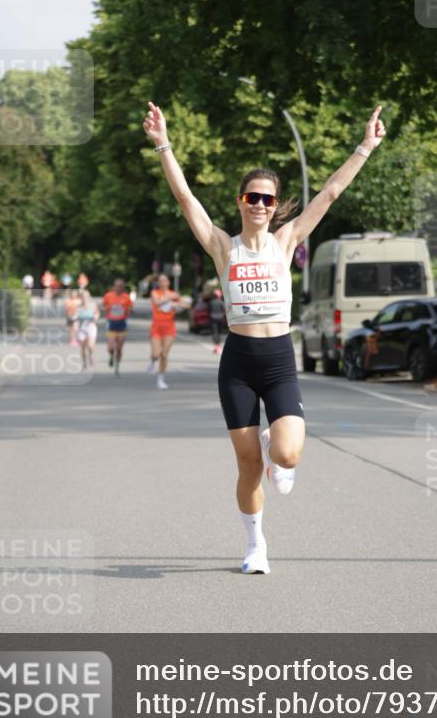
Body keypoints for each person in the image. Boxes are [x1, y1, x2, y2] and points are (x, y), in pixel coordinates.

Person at [143, 100, 386, 575]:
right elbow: (185, 198)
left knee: (287, 454)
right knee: (249, 464)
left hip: (277, 360)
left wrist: (365, 147)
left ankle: (280, 449)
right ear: (240, 202)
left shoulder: (286, 241)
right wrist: (163, 144)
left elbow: (330, 193)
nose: (259, 204)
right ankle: (256, 546)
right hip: (238, 363)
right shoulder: (222, 246)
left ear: (275, 208)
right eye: (252, 197)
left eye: (267, 199)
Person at [147, 273, 182, 389]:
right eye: (160, 281)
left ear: (168, 282)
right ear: (158, 283)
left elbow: (185, 305)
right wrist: (170, 299)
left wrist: (177, 304)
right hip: (156, 327)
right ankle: (153, 362)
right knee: (156, 354)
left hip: (169, 327)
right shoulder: (154, 293)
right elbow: (157, 303)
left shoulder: (174, 294)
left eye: (165, 280)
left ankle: (160, 379)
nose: (163, 283)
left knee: (164, 354)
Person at [101, 278, 133, 376]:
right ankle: (111, 356)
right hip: (111, 322)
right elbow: (103, 306)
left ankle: (117, 366)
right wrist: (107, 308)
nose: (118, 288)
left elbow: (130, 309)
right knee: (111, 347)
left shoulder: (126, 297)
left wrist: (127, 311)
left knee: (119, 348)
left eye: (120, 286)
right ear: (113, 287)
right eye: (116, 286)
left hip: (122, 323)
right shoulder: (108, 296)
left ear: (123, 288)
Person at [76, 290, 100, 369]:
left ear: (89, 297)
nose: (85, 298)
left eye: (86, 297)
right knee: (83, 347)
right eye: (83, 297)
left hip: (91, 327)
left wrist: (96, 317)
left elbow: (97, 313)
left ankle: (91, 355)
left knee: (90, 345)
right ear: (80, 298)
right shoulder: (78, 307)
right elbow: (74, 317)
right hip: (82, 328)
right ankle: (84, 363)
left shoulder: (93, 305)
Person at [209, 288, 225, 354]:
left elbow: (209, 310)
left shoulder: (211, 302)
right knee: (219, 332)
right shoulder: (221, 302)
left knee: (214, 332)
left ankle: (215, 346)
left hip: (212, 318)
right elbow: (224, 309)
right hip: (220, 318)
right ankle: (218, 345)